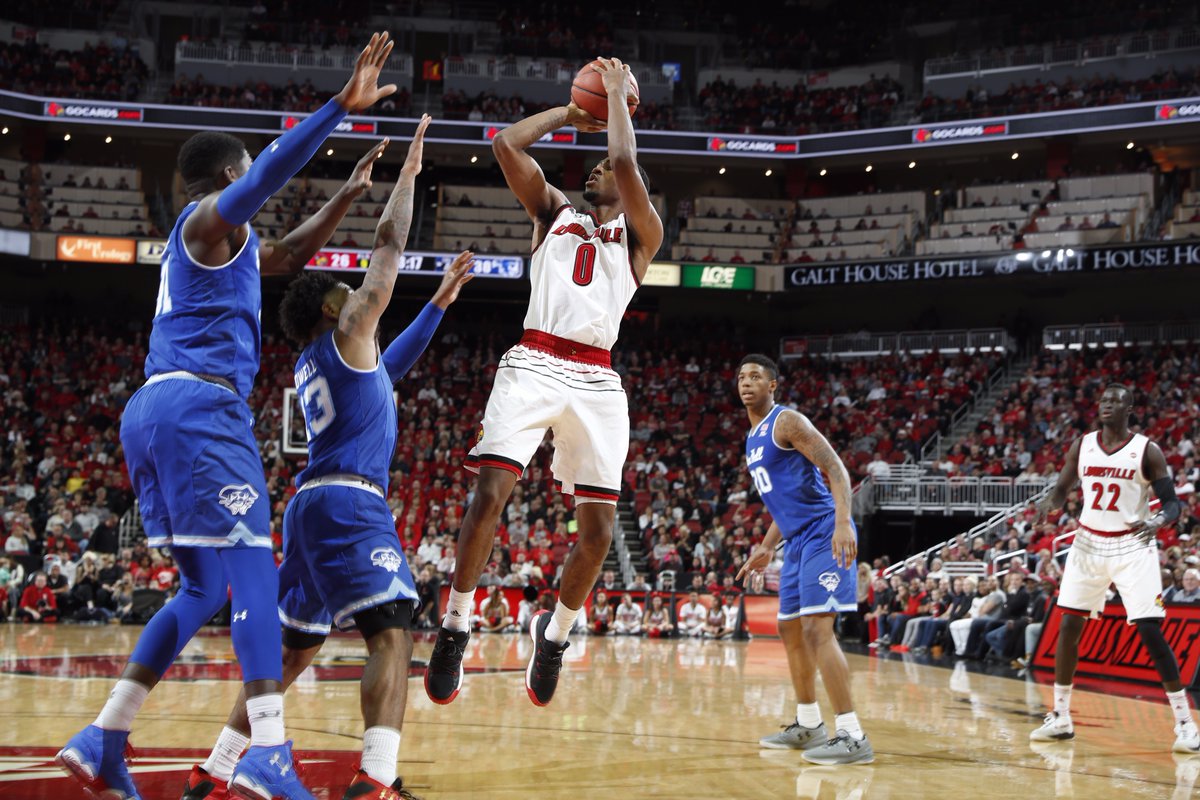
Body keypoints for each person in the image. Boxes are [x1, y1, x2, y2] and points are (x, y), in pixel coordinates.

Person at [57, 33, 400, 800]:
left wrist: (345, 198)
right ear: (225, 177)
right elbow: (267, 178)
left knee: (202, 588)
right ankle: (268, 753)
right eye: (247, 175)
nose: (255, 184)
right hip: (199, 409)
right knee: (253, 574)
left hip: (158, 410)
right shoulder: (205, 219)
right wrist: (337, 111)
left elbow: (283, 255)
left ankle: (106, 733)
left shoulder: (230, 249)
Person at [192, 116, 469, 800]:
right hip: (349, 500)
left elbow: (391, 365)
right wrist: (409, 173)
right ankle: (377, 777)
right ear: (329, 308)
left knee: (294, 654)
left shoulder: (337, 358)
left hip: (310, 507)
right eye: (344, 291)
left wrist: (437, 302)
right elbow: (389, 243)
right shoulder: (346, 329)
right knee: (392, 633)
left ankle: (217, 768)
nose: (356, 293)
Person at [425, 56, 663, 708]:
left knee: (598, 536)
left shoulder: (643, 233)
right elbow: (504, 145)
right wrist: (571, 112)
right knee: (489, 494)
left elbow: (622, 165)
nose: (592, 170)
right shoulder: (554, 212)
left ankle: (554, 632)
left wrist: (615, 99)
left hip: (596, 377)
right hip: (533, 357)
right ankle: (456, 623)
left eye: (603, 168)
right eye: (588, 164)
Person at [1030, 384, 1197, 753]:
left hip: (1132, 545)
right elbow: (1062, 487)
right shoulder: (1083, 444)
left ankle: (1186, 723)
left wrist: (1157, 522)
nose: (1106, 405)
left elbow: (1172, 505)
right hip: (1088, 542)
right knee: (1069, 625)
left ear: (1130, 409)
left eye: (1115, 401)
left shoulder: (1147, 451)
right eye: (1103, 400)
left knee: (1150, 631)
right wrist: (1051, 503)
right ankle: (1060, 717)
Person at [736, 354, 873, 765]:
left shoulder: (787, 421)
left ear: (773, 385)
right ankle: (809, 724)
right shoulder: (752, 436)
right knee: (789, 629)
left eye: (756, 377)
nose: (746, 383)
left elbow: (836, 468)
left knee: (817, 629)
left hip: (824, 532)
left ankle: (852, 734)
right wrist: (765, 545)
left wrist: (844, 522)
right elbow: (786, 502)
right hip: (795, 540)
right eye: (741, 377)